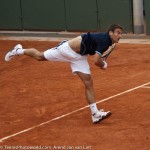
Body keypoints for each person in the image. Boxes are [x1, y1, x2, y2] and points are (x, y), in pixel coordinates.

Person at [5, 24, 123, 124]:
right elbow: (96, 61)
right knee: (39, 56)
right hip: (66, 50)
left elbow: (98, 59)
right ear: (110, 33)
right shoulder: (104, 40)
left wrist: (102, 63)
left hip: (80, 56)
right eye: (118, 33)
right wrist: (103, 65)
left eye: (121, 33)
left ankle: (95, 114)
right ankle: (18, 50)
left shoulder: (110, 44)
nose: (120, 35)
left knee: (88, 82)